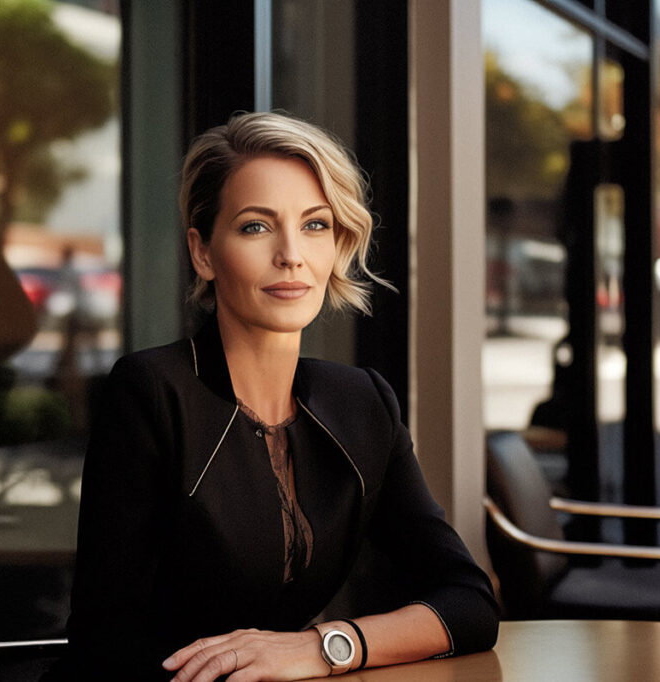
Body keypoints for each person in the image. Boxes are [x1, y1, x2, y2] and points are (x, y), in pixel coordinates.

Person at [49, 112, 498, 681]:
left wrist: (323, 646)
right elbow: (104, 639)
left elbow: (469, 603)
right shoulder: (152, 391)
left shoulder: (362, 402)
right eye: (256, 227)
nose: (291, 254)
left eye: (315, 225)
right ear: (204, 252)